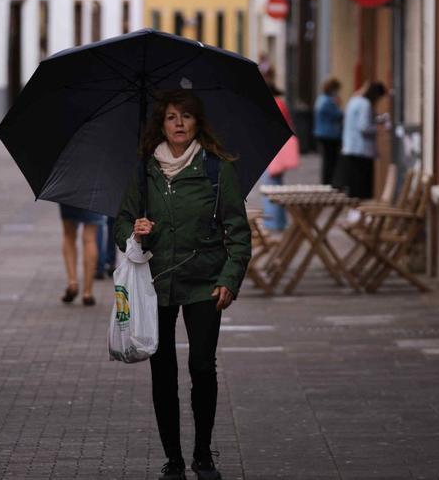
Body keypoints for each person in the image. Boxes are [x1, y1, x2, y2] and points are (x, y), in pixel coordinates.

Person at [114, 89, 251, 480]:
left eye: (186, 117)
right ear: (160, 123)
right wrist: (134, 232)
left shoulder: (216, 169)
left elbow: (238, 232)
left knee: (202, 367)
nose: (178, 123)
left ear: (197, 123)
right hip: (156, 283)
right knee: (163, 372)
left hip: (205, 282)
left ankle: (203, 454)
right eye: (171, 116)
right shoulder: (145, 170)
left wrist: (230, 279)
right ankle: (173, 460)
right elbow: (122, 221)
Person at [337, 81, 389, 200]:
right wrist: (380, 131)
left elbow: (361, 120)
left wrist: (378, 120)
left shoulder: (354, 101)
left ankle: (354, 211)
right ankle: (360, 211)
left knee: (354, 185)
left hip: (350, 147)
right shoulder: (365, 104)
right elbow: (364, 127)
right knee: (362, 186)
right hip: (362, 150)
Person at [262, 86, 300, 232]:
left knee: (271, 189)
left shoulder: (274, 104)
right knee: (276, 186)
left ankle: (274, 223)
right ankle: (279, 221)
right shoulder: (280, 103)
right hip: (277, 150)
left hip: (272, 151)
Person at [59, 205, 106, 306]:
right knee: (90, 239)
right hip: (94, 192)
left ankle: (72, 282)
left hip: (69, 193)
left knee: (69, 235)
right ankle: (87, 292)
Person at [313, 77, 344, 186]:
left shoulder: (321, 99)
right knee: (330, 160)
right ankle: (328, 182)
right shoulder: (328, 101)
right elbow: (338, 115)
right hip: (329, 134)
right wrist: (339, 105)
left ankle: (326, 181)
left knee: (327, 159)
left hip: (322, 133)